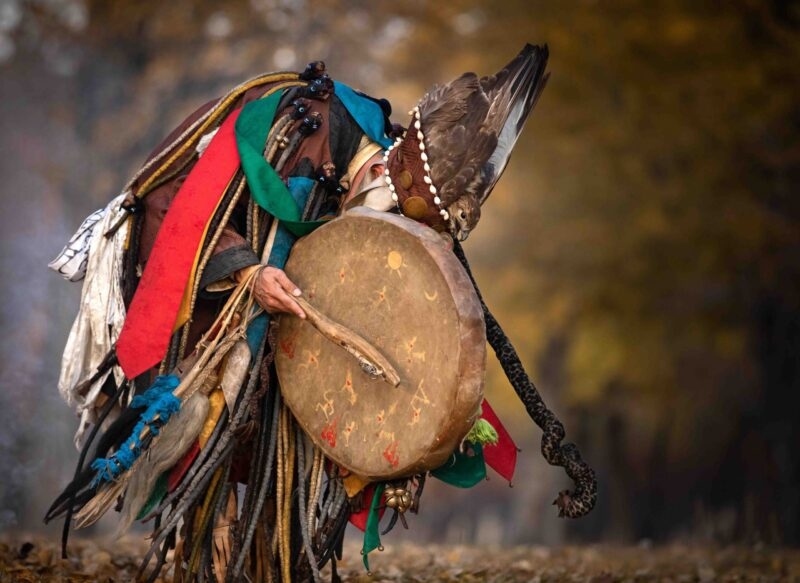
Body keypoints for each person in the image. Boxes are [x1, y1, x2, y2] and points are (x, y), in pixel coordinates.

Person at [48, 46, 595, 582]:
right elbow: (174, 198)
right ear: (384, 168)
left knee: (293, 475)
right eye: (386, 213)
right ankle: (208, 557)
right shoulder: (293, 120)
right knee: (209, 445)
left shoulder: (403, 188)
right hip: (205, 298)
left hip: (289, 330)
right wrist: (247, 271)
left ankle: (281, 561)